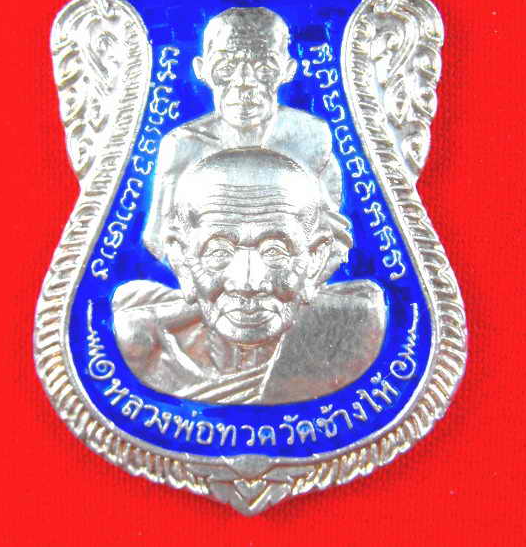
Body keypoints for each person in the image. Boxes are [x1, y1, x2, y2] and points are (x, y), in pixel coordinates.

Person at [113, 148, 386, 404]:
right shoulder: (147, 347)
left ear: (315, 257)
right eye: (218, 252)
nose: (248, 282)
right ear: (181, 259)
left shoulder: (354, 331)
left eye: (275, 252)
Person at [142, 6, 344, 269]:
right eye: (226, 68)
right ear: (202, 70)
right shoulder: (183, 146)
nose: (244, 81)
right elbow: (158, 240)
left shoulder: (309, 137)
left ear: (287, 70)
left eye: (264, 68)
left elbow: (331, 237)